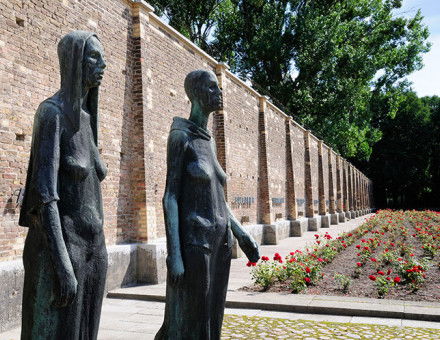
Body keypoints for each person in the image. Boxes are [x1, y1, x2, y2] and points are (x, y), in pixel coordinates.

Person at [155, 70, 260, 340]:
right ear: (196, 94)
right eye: (213, 88)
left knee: (214, 315)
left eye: (219, 88)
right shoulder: (181, 137)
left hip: (220, 242)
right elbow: (170, 197)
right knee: (194, 316)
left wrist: (241, 232)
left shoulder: (206, 141)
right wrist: (174, 255)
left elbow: (217, 196)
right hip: (196, 241)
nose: (220, 92)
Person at [19, 31, 108, 340]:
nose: (103, 64)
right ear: (73, 63)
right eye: (94, 57)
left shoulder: (85, 118)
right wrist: (63, 264)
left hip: (94, 251)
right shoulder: (51, 114)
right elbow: (44, 197)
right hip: (64, 251)